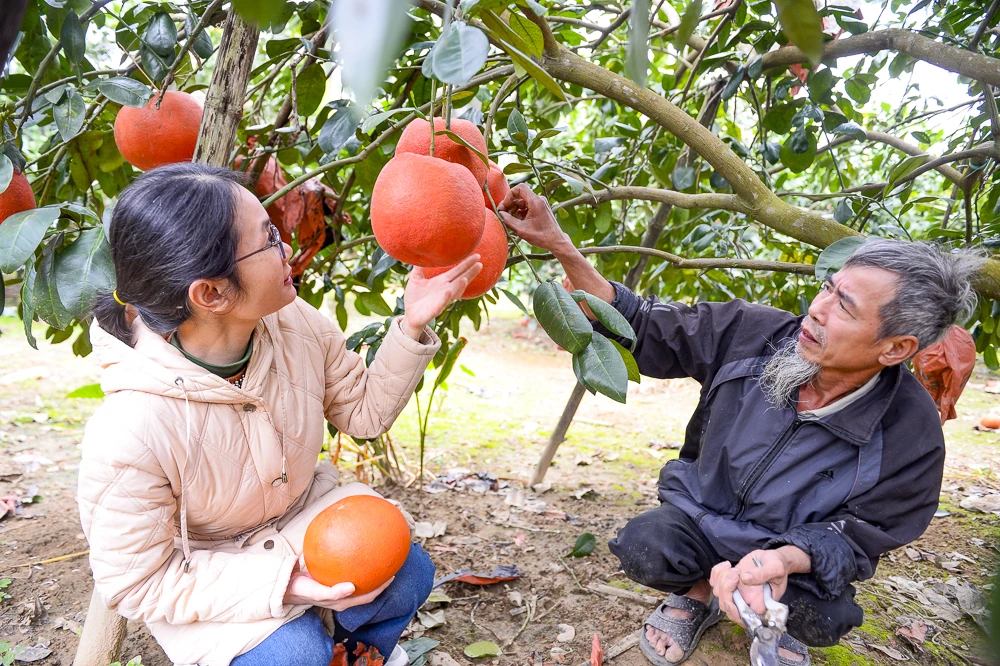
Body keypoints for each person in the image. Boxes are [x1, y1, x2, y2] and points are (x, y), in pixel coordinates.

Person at [498, 184, 982, 666]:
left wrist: (784, 560)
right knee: (646, 546)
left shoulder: (910, 431)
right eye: (827, 287)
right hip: (703, 521)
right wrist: (558, 243)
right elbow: (640, 322)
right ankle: (697, 589)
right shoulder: (753, 333)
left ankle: (771, 611)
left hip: (788, 556)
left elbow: (868, 531)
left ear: (896, 348)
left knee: (825, 617)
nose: (816, 308)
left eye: (845, 307)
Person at [77, 163, 483, 666]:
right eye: (269, 239)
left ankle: (356, 654)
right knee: (294, 655)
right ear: (212, 293)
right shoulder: (130, 429)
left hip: (296, 520)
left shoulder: (293, 324)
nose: (287, 247)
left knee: (409, 576)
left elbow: (363, 415)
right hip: (211, 568)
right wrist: (284, 585)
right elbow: (137, 582)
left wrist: (412, 325)